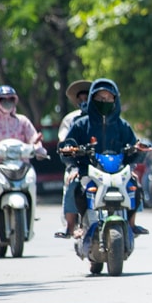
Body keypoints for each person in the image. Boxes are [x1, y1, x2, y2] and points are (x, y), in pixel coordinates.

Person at [60, 78, 150, 235]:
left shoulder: (123, 125)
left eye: (109, 98)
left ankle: (131, 223)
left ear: (115, 100)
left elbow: (133, 145)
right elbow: (68, 144)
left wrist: (138, 150)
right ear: (92, 99)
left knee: (135, 186)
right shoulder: (80, 124)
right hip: (88, 171)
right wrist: (69, 150)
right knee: (75, 187)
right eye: (100, 98)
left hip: (117, 171)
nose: (105, 101)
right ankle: (74, 226)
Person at [0, 85, 46, 229]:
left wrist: (38, 149)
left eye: (10, 99)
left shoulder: (22, 121)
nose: (7, 101)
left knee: (31, 180)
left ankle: (29, 213)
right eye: (3, 99)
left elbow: (33, 138)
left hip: (21, 166)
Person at [54, 80, 92, 239]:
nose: (84, 102)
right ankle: (71, 226)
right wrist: (71, 152)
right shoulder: (72, 120)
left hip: (101, 164)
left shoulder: (104, 119)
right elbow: (65, 142)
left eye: (87, 98)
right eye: (81, 99)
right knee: (73, 184)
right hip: (78, 164)